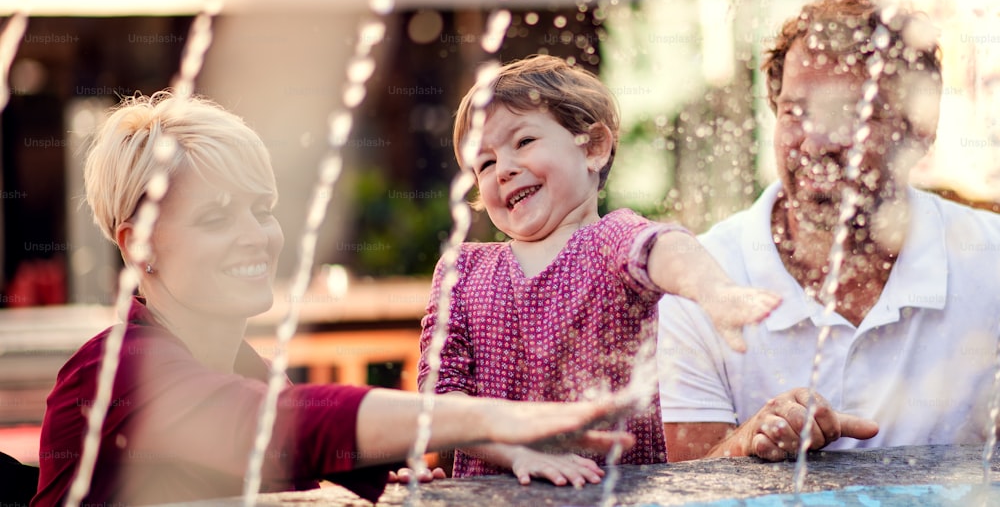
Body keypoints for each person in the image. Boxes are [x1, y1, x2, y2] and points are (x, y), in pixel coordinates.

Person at [31, 91, 639, 507]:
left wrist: (411, 455)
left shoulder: (238, 365)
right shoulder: (112, 369)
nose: (256, 235)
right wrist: (486, 416)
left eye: (262, 210)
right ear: (141, 248)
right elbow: (277, 425)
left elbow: (294, 433)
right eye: (216, 217)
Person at [657, 0, 1000, 462]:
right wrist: (749, 441)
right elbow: (686, 485)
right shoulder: (701, 281)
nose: (817, 142)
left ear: (920, 131)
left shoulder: (989, 265)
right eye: (797, 113)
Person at [418, 55, 782, 488]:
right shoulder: (464, 272)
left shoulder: (611, 241)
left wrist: (714, 291)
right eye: (485, 163)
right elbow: (439, 400)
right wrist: (515, 451)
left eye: (524, 141)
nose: (505, 169)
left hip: (611, 492)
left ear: (593, 147)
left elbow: (663, 248)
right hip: (495, 494)